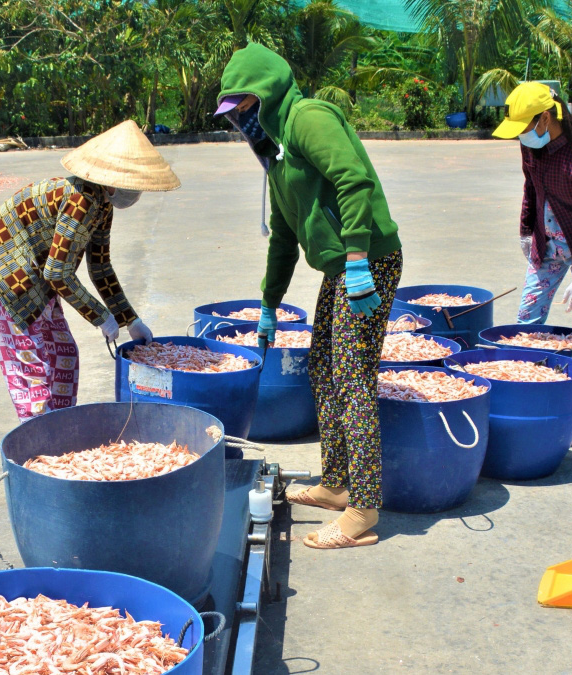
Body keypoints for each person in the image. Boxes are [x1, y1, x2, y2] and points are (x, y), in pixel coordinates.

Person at [215, 43, 402, 550]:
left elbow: (354, 179)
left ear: (266, 94)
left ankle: (363, 508)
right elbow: (282, 235)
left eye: (243, 108)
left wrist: (360, 257)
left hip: (368, 262)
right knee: (323, 366)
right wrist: (270, 303)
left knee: (352, 377)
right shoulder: (276, 155)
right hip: (340, 268)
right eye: (232, 114)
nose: (239, 122)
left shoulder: (307, 117)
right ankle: (336, 484)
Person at [0, 120, 180, 422]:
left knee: (63, 353)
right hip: (4, 267)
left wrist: (130, 320)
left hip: (37, 269)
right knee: (32, 364)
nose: (136, 193)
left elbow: (101, 264)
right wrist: (100, 316)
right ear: (112, 180)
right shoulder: (79, 200)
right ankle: (39, 446)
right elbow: (57, 273)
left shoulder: (102, 203)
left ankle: (62, 425)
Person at [492, 82, 572, 425]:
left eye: (525, 128)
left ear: (545, 118)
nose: (521, 138)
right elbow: (530, 188)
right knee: (527, 315)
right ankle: (521, 380)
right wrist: (526, 229)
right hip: (547, 244)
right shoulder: (532, 149)